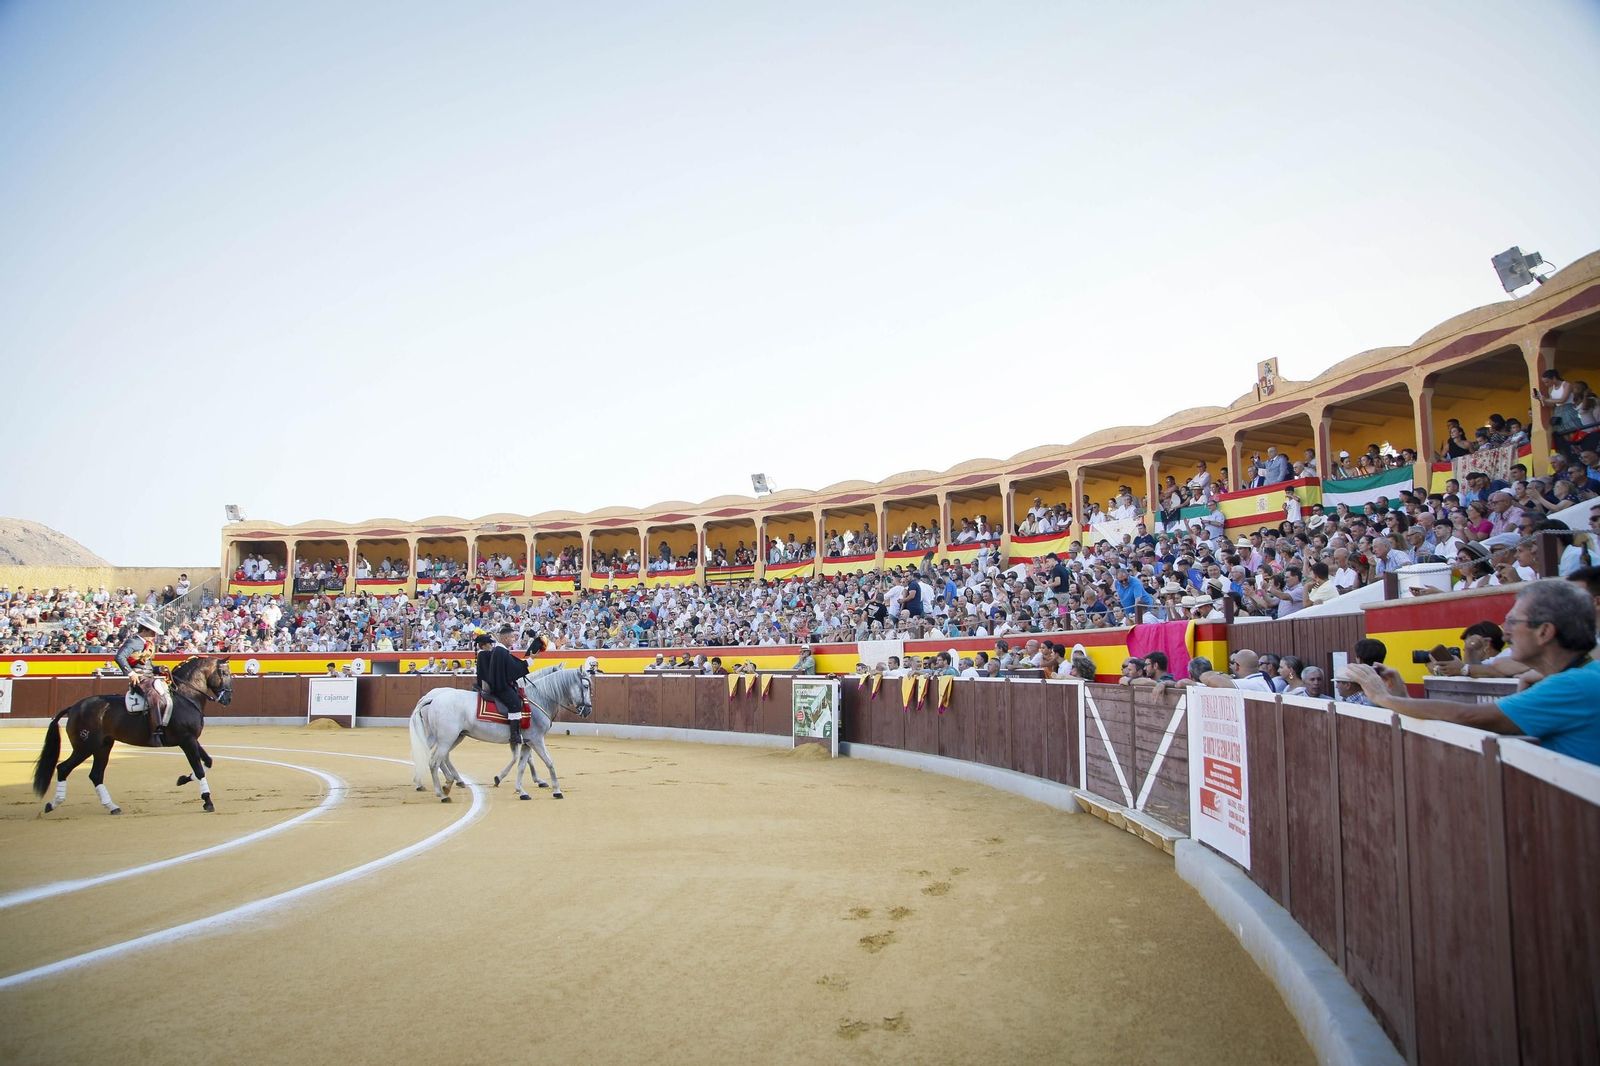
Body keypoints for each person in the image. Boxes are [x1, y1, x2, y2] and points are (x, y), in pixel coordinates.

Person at [1346, 580, 1600, 766]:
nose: (1505, 632)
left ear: (1544, 632)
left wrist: (1382, 697)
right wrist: (1400, 694)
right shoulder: (1584, 674)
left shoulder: (1574, 685)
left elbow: (1467, 715)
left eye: (1513, 622)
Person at [116, 613, 171, 745]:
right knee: (154, 696)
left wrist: (159, 669)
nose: (154, 635)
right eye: (152, 632)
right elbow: (119, 657)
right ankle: (155, 732)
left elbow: (148, 665)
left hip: (149, 677)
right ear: (145, 630)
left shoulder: (146, 644)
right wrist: (131, 673)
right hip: (139, 679)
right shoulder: (134, 642)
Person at [475, 625, 530, 751]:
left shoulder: (500, 651)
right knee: (515, 704)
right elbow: (512, 668)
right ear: (505, 638)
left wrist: (527, 662)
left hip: (499, 683)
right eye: (512, 637)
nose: (514, 639)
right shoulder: (501, 651)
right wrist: (529, 662)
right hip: (500, 686)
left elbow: (512, 665)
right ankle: (514, 735)